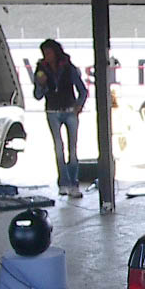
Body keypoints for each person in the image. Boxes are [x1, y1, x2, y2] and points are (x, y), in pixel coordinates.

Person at [33, 39, 88, 198]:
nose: (46, 56)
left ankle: (73, 183)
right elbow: (37, 95)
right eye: (44, 53)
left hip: (69, 110)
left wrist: (79, 105)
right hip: (52, 111)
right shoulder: (41, 68)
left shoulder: (68, 67)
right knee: (58, 148)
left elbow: (82, 89)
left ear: (56, 52)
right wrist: (41, 84)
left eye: (49, 52)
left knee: (73, 149)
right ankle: (63, 183)